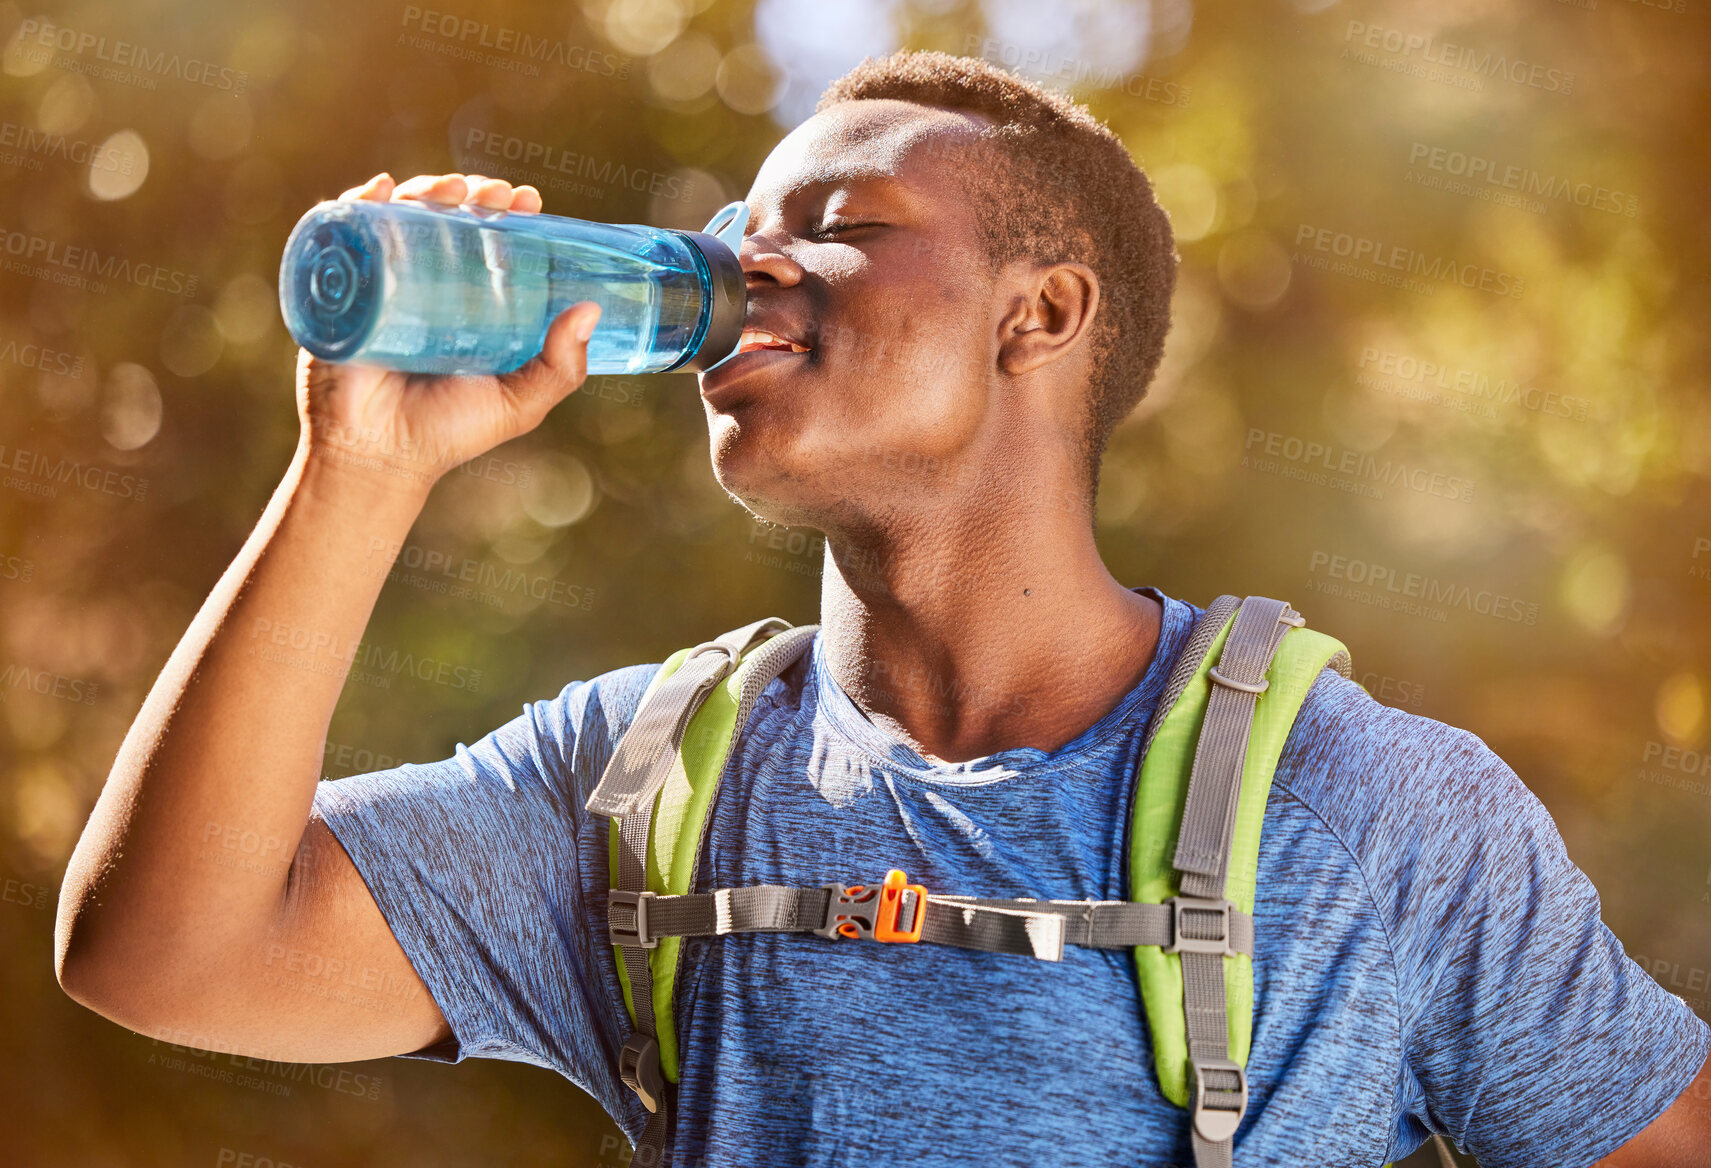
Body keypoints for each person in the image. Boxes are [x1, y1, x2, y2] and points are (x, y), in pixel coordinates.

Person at [53, 50, 1711, 1168]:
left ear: (1039, 316)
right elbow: (167, 956)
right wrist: (357, 468)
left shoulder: (1370, 813)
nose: (749, 275)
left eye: (840, 231)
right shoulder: (640, 786)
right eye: (733, 237)